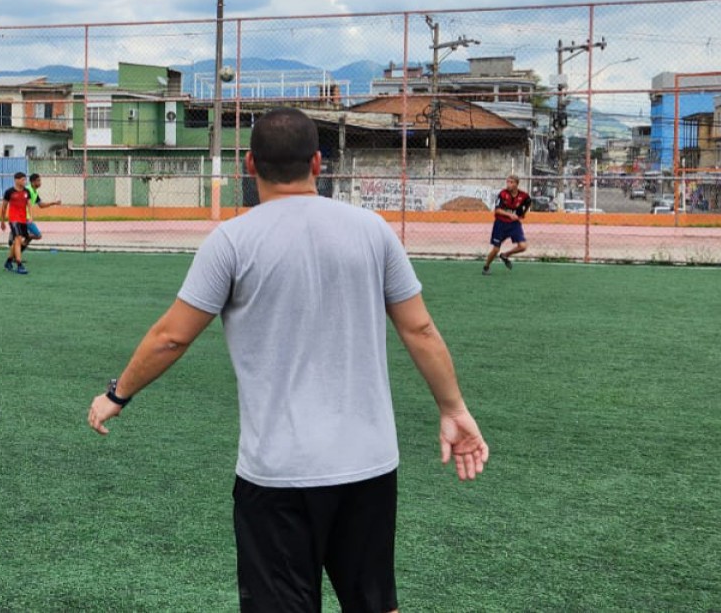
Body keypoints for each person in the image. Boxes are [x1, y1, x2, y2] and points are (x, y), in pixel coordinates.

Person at [87, 108, 488, 613]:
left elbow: (171, 337)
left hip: (278, 473)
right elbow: (419, 328)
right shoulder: (372, 230)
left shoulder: (231, 240)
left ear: (250, 164)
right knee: (375, 604)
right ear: (318, 163)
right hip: (367, 464)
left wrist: (116, 394)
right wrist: (453, 410)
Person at [481, 174, 531, 275]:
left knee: (523, 246)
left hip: (514, 225)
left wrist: (523, 214)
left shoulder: (523, 196)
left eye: (511, 182)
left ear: (516, 184)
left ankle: (505, 255)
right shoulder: (503, 194)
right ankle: (486, 267)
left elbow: (528, 202)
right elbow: (497, 210)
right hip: (500, 224)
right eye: (507, 182)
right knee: (495, 249)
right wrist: (509, 215)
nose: (508, 184)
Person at [0, 172, 32, 275]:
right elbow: (4, 207)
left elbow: (29, 205)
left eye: (25, 180)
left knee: (17, 242)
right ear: (16, 180)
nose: (24, 181)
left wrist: (30, 216)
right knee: (17, 239)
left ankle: (9, 261)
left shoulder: (27, 192)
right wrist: (2, 221)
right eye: (22, 180)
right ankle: (19, 264)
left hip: (23, 220)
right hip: (13, 220)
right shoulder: (9, 192)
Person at [21, 172, 62, 255]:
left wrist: (53, 203)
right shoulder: (27, 190)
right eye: (38, 181)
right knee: (38, 236)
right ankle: (18, 243)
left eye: (40, 181)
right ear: (32, 182)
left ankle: (17, 254)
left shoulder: (34, 192)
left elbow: (41, 205)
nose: (40, 183)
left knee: (29, 238)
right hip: (25, 218)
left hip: (27, 217)